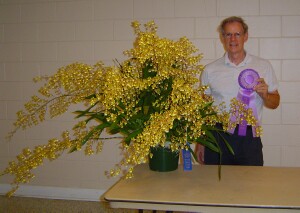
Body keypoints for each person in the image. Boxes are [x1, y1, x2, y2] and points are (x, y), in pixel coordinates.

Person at [199, 16, 280, 166]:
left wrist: (265, 95)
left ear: (245, 36)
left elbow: (275, 103)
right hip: (217, 136)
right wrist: (202, 142)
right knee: (215, 187)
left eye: (237, 34)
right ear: (222, 37)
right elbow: (204, 110)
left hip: (249, 139)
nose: (233, 39)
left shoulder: (263, 65)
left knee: (250, 186)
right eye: (228, 34)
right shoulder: (210, 70)